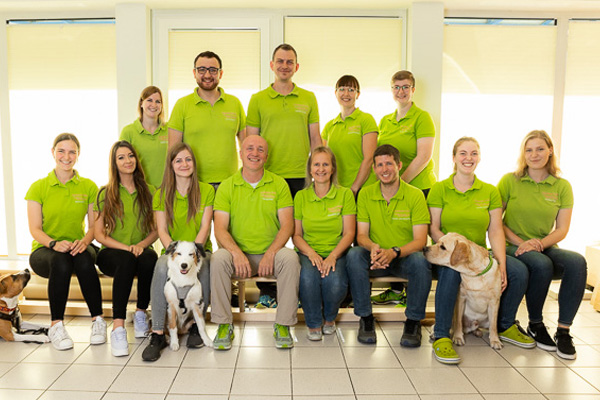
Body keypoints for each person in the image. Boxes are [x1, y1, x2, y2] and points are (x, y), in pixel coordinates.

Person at [428, 137, 534, 365]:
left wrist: (502, 265)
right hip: (449, 253)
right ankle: (442, 335)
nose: (468, 158)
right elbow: (434, 228)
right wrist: (450, 253)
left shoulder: (489, 191)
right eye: (463, 153)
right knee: (450, 273)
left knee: (519, 271)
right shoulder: (440, 189)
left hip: (479, 256)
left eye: (473, 153)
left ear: (479, 157)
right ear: (454, 158)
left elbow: (496, 231)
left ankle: (504, 325)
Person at [498, 130, 587, 360]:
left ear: (550, 151)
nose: (534, 154)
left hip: (544, 245)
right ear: (523, 154)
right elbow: (495, 220)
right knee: (541, 263)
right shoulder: (510, 180)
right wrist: (523, 243)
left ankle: (563, 331)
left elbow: (562, 229)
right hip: (512, 246)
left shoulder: (562, 186)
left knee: (577, 261)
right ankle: (535, 324)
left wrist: (538, 244)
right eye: (529, 150)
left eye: (539, 149)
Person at [246, 43, 320, 307]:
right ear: (272, 65)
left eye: (290, 62)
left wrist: (319, 175)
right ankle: (268, 291)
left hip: (301, 177)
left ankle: (301, 288)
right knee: (268, 232)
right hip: (267, 177)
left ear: (296, 67)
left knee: (301, 233)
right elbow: (249, 140)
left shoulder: (308, 98)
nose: (285, 65)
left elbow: (315, 139)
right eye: (280, 61)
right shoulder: (257, 99)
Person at [210, 135, 300, 350]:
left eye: (260, 150)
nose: (255, 153)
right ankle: (224, 324)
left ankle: (283, 324)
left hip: (271, 253)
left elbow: (287, 225)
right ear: (241, 154)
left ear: (266, 156)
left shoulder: (279, 184)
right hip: (237, 255)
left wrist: (271, 253)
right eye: (249, 148)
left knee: (290, 258)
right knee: (218, 258)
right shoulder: (227, 186)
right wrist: (237, 254)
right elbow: (220, 229)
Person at [26, 133, 106, 351]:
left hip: (78, 245)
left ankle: (98, 321)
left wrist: (83, 242)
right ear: (53, 153)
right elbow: (35, 229)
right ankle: (56, 325)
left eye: (72, 151)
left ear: (78, 155)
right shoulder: (38, 187)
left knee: (83, 259)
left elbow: (94, 227)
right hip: (45, 250)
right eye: (61, 151)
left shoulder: (89, 187)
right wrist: (53, 243)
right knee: (61, 260)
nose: (66, 156)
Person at [346, 144, 432, 346]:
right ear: (374, 169)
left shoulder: (415, 195)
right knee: (354, 255)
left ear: (399, 165)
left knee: (421, 261)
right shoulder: (366, 194)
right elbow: (361, 235)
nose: (384, 169)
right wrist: (374, 248)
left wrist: (394, 252)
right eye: (379, 165)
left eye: (389, 164)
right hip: (375, 257)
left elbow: (421, 240)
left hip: (403, 258)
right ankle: (366, 318)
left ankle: (413, 321)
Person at [141, 143, 215, 362]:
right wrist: (175, 253)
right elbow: (162, 230)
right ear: (171, 165)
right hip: (173, 252)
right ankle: (157, 333)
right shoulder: (161, 194)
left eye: (188, 159)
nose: (184, 164)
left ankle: (194, 327)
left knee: (206, 265)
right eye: (178, 160)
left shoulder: (207, 190)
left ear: (194, 162)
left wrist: (193, 255)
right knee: (161, 265)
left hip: (199, 250)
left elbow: (205, 227)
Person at [373, 70, 437, 305]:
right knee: (393, 234)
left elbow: (424, 157)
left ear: (413, 89)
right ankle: (396, 290)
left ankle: (415, 294)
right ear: (392, 90)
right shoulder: (385, 121)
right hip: (393, 188)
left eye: (405, 86)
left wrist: (401, 183)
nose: (401, 91)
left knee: (416, 241)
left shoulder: (422, 117)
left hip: (419, 189)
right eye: (397, 87)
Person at [94, 141, 159, 357]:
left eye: (130, 156)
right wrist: (126, 248)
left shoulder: (149, 191)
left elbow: (156, 230)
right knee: (126, 260)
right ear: (114, 163)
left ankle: (141, 313)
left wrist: (140, 245)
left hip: (138, 250)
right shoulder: (106, 192)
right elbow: (99, 235)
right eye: (121, 157)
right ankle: (118, 327)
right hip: (111, 253)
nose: (127, 160)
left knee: (151, 257)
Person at [292, 147, 355, 340]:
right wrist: (311, 254)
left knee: (335, 281)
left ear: (333, 168)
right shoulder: (301, 196)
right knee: (308, 279)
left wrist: (333, 256)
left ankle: (329, 319)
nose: (321, 169)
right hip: (307, 252)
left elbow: (349, 233)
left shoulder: (345, 195)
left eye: (325, 164)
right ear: (310, 170)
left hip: (337, 252)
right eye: (316, 164)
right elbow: (296, 235)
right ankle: (313, 322)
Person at [168, 50, 246, 187]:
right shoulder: (182, 105)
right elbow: (173, 152)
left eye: (213, 70)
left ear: (220, 73)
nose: (208, 75)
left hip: (230, 184)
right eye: (202, 70)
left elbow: (246, 147)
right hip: (193, 184)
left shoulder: (235, 104)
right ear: (194, 73)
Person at [321, 75, 378, 197]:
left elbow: (369, 158)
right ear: (336, 93)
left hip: (363, 189)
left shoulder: (366, 120)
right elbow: (322, 160)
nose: (346, 94)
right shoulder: (329, 126)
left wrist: (354, 188)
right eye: (342, 89)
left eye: (351, 90)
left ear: (358, 94)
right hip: (338, 190)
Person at [120, 86, 168, 188]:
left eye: (158, 101)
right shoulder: (128, 132)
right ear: (141, 103)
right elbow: (121, 165)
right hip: (140, 191)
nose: (154, 105)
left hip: (166, 191)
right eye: (149, 100)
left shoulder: (170, 130)